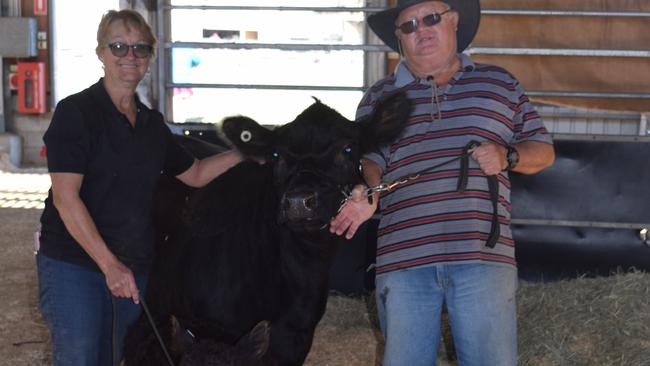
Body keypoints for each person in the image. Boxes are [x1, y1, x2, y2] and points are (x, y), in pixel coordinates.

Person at [330, 0, 555, 365]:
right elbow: (370, 160)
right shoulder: (378, 97)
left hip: (482, 257)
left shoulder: (499, 83)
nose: (421, 29)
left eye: (431, 18)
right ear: (400, 38)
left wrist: (507, 155)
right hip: (403, 260)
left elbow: (543, 151)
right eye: (409, 25)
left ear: (453, 21)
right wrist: (367, 190)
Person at [36, 9, 245, 366]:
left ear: (150, 56)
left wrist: (245, 154)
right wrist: (110, 266)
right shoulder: (77, 113)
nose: (130, 56)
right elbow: (66, 199)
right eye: (119, 46)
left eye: (140, 48)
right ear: (101, 53)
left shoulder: (151, 124)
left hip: (133, 266)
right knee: (81, 358)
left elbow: (194, 173)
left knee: (117, 357)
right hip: (76, 264)